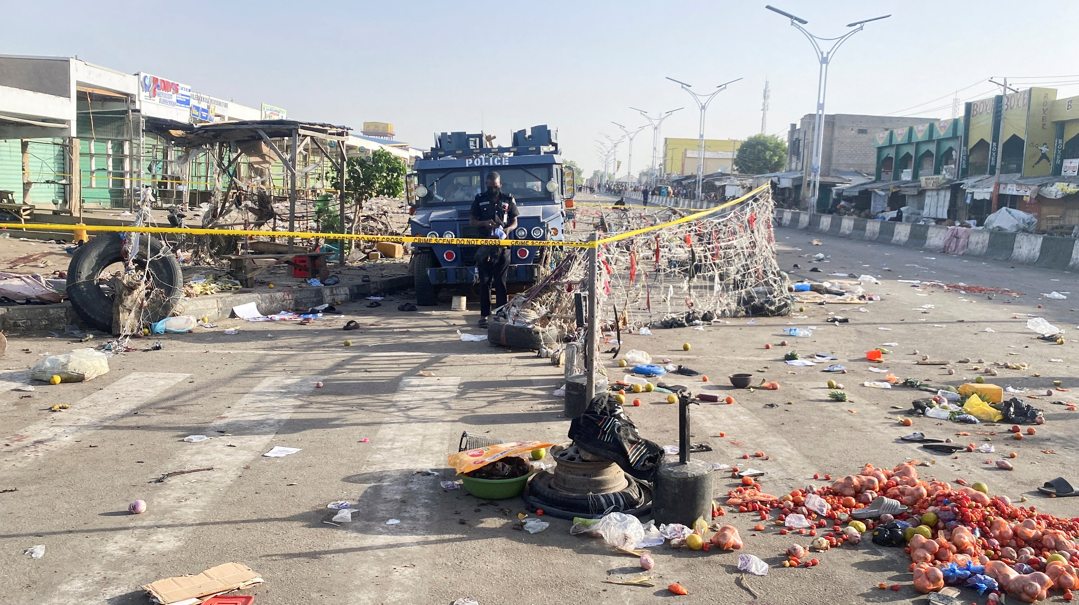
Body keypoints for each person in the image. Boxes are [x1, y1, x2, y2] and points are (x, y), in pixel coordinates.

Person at [470, 172, 518, 328]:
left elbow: (515, 221)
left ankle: (500, 314)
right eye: (490, 187)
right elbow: (472, 221)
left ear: (500, 185)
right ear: (486, 185)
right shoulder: (480, 199)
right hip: (485, 247)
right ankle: (484, 315)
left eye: (495, 187)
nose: (493, 190)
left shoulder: (508, 199)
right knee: (484, 282)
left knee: (501, 281)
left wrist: (508, 230)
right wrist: (484, 223)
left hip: (503, 247)